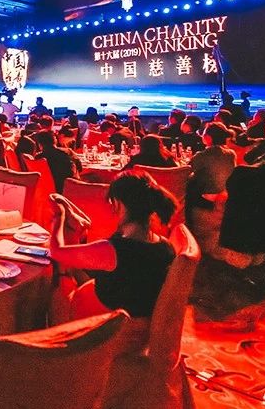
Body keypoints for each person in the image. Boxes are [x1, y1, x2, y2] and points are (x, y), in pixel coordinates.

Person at [47, 172, 178, 318]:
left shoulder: (115, 250)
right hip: (137, 314)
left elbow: (56, 252)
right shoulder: (166, 247)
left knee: (60, 277)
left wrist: (59, 218)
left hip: (107, 322)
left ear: (118, 204)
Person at [189, 123, 237, 195]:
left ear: (209, 138)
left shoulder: (202, 155)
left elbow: (188, 169)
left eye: (204, 134)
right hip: (226, 193)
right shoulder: (231, 153)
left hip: (208, 194)